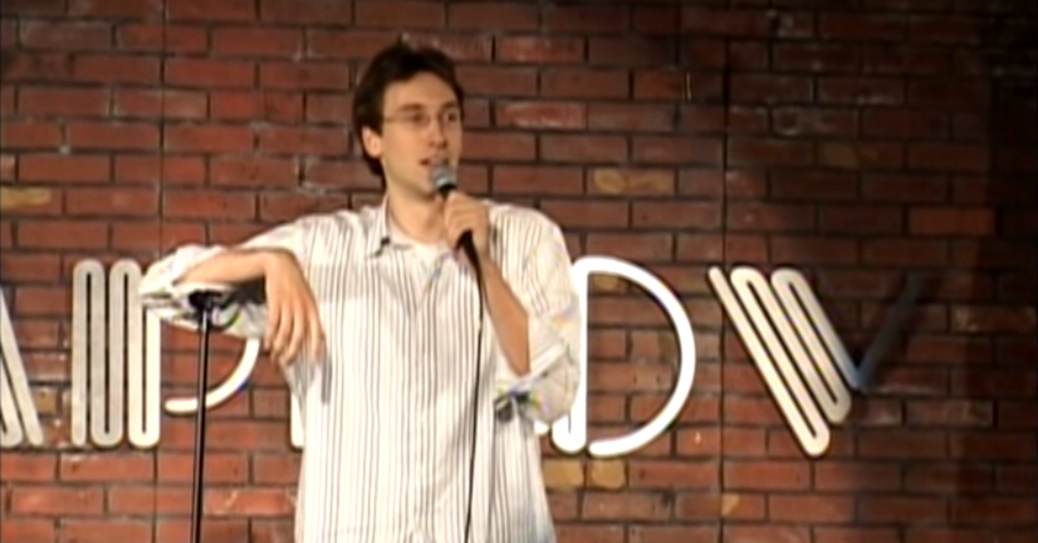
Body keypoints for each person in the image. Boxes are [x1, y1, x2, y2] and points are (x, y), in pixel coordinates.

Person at [138, 41, 583, 543]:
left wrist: (486, 267)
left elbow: (554, 393)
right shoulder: (322, 251)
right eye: (415, 118)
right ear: (373, 139)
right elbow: (162, 288)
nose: (437, 135)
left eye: (449, 117)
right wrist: (267, 261)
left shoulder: (525, 240)